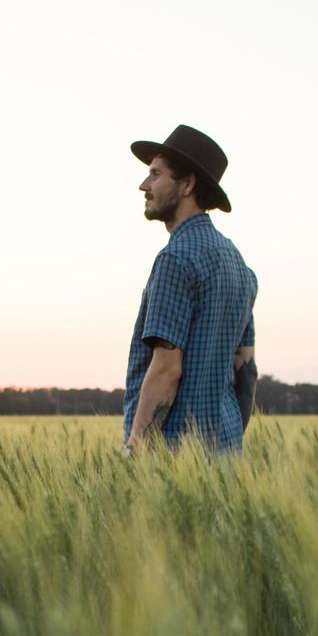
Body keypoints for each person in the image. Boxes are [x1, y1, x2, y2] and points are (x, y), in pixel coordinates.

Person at [123, 125, 258, 456]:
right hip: (226, 447)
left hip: (174, 451)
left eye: (155, 174)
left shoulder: (176, 258)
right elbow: (246, 368)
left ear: (187, 184)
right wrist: (227, 438)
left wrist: (136, 448)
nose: (144, 185)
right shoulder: (238, 264)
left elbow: (167, 368)